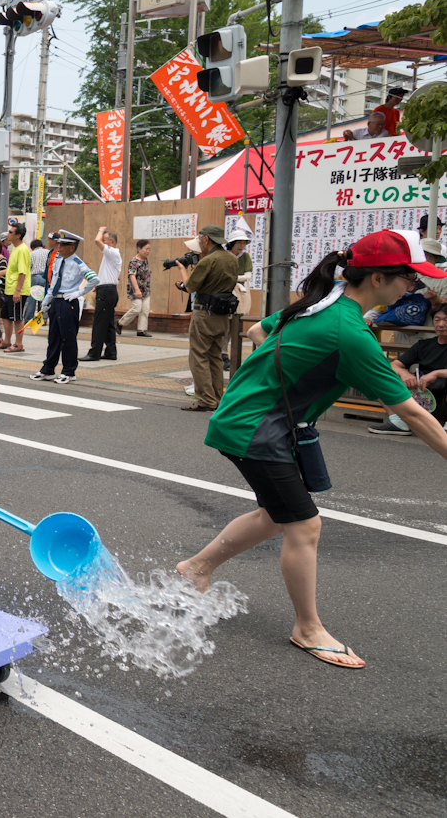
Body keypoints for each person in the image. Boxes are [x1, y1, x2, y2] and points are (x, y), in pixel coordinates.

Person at [177, 229, 447, 668]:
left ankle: (196, 569)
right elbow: (413, 415)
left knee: (277, 514)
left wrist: (286, 384)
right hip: (255, 429)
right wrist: (287, 392)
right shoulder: (347, 330)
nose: (416, 288)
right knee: (304, 525)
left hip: (254, 421)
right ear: (378, 279)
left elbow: (257, 332)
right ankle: (307, 628)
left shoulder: (323, 304)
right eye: (411, 279)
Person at [175, 224, 239, 411]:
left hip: (204, 312)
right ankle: (218, 398)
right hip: (222, 313)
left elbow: (190, 287)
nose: (200, 242)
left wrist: (182, 270)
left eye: (201, 238)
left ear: (206, 239)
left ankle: (205, 399)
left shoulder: (207, 261)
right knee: (215, 357)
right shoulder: (232, 259)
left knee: (199, 356)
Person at [30, 230, 98, 384]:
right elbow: (54, 282)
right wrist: (47, 300)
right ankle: (48, 369)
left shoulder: (78, 264)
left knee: (68, 338)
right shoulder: (59, 260)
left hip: (69, 302)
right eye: (59, 244)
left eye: (63, 245)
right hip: (56, 301)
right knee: (53, 337)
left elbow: (94, 279)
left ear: (72, 248)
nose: (59, 247)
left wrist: (78, 293)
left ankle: (69, 371)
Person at [368, 301, 447, 436]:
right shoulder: (424, 345)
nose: (440, 324)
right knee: (378, 376)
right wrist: (404, 373)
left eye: (446, 320)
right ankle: (398, 422)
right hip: (420, 393)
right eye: (437, 320)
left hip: (442, 398)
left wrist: (436, 373)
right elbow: (394, 365)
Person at [81, 227, 122, 362]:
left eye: (105, 241)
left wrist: (100, 229)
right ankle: (111, 351)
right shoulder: (110, 256)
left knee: (99, 323)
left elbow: (96, 240)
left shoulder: (113, 252)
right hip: (107, 290)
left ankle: (94, 353)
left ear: (111, 242)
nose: (102, 243)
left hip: (107, 292)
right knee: (108, 323)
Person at [220, 230, 254, 370]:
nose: (242, 246)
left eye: (244, 243)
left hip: (239, 293)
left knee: (236, 324)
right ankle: (223, 355)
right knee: (224, 327)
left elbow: (248, 276)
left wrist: (235, 278)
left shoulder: (245, 257)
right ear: (232, 243)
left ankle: (233, 357)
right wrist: (238, 278)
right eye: (239, 243)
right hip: (224, 293)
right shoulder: (224, 256)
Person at [0, 222, 30, 352]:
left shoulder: (22, 250)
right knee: (5, 316)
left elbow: (22, 272)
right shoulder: (15, 248)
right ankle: (6, 341)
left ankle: (18, 344)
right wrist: (2, 272)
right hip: (9, 289)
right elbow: (13, 269)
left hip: (18, 290)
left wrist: (18, 291)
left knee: (17, 317)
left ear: (18, 235)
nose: (8, 234)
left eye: (11, 232)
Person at [116, 239, 151, 337]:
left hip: (146, 290)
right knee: (137, 309)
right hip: (135, 290)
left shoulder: (145, 260)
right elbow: (132, 276)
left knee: (145, 310)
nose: (148, 251)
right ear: (139, 249)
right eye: (146, 249)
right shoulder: (134, 261)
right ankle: (120, 322)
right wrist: (137, 290)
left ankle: (141, 330)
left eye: (149, 249)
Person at [23, 237, 51, 323]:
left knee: (32, 299)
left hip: (34, 277)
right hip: (45, 277)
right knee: (44, 298)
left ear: (32, 248)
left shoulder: (31, 254)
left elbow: (28, 267)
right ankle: (44, 319)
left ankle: (28, 319)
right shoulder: (48, 252)